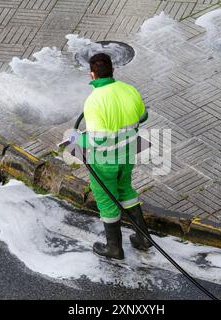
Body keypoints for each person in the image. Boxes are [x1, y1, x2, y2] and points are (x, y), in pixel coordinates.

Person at [73, 53, 152, 260]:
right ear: (113, 70)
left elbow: (97, 140)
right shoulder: (129, 90)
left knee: (107, 200)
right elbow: (143, 116)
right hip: (128, 154)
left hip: (105, 161)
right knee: (126, 190)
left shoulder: (94, 101)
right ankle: (143, 238)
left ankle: (114, 249)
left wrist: (77, 140)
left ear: (92, 75)